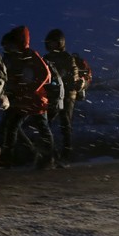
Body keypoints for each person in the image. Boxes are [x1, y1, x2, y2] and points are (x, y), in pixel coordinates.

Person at [0, 26, 55, 170]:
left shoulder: (30, 55)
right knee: (11, 127)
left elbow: (45, 74)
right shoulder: (11, 58)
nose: (7, 48)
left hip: (35, 99)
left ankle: (47, 159)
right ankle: (9, 159)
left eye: (9, 45)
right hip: (20, 100)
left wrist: (30, 89)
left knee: (41, 128)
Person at [43, 29, 84, 166]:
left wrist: (62, 82)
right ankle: (51, 155)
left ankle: (65, 156)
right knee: (47, 124)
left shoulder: (67, 57)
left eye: (53, 42)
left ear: (59, 43)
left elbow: (72, 76)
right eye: (50, 42)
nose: (51, 45)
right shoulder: (47, 58)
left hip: (67, 95)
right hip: (53, 95)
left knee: (65, 125)